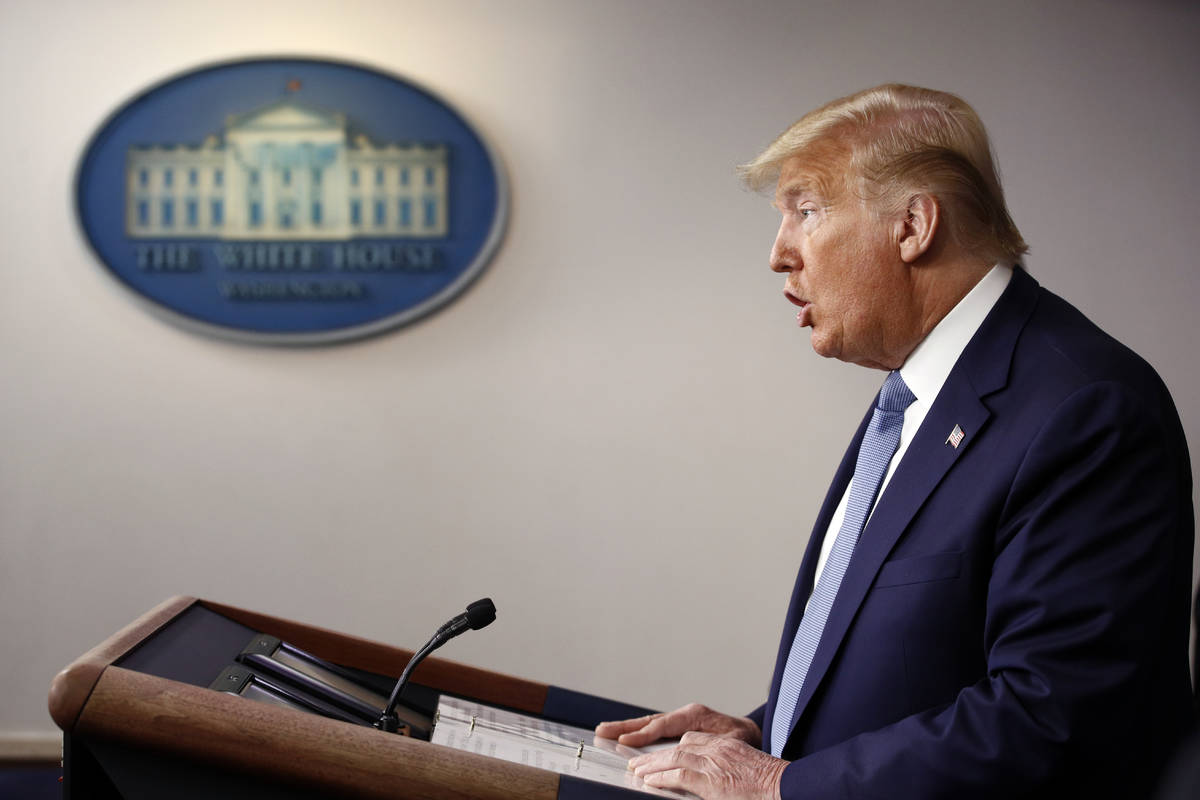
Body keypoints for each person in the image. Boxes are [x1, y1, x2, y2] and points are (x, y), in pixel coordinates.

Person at [596, 84, 1194, 800]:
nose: (779, 253)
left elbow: (1051, 716)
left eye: (806, 211)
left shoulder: (1087, 409)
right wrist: (769, 737)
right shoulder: (915, 394)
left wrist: (781, 787)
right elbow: (920, 667)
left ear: (912, 225)